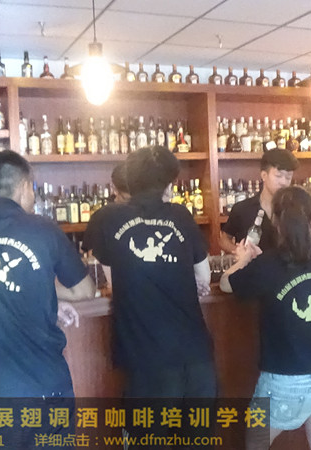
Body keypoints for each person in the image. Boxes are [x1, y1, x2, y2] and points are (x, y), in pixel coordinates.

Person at [0, 149, 95, 399]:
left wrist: (45, 297)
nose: (34, 196)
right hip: (41, 385)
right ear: (25, 186)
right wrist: (46, 294)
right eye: (33, 188)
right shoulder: (42, 228)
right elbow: (84, 290)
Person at [83, 146, 215, 399]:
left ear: (129, 180)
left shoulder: (106, 218)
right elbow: (204, 278)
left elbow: (110, 280)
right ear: (169, 184)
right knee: (199, 426)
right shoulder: (181, 215)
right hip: (195, 353)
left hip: (145, 356)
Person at [220, 185, 311, 450]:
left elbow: (226, 284)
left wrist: (243, 259)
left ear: (275, 221)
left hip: (285, 380)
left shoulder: (268, 264)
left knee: (254, 444)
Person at [220, 149, 299, 253]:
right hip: (251, 263)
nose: (283, 182)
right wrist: (237, 251)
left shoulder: (295, 210)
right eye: (278, 176)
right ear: (264, 175)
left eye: (288, 177)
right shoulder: (242, 209)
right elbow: (224, 240)